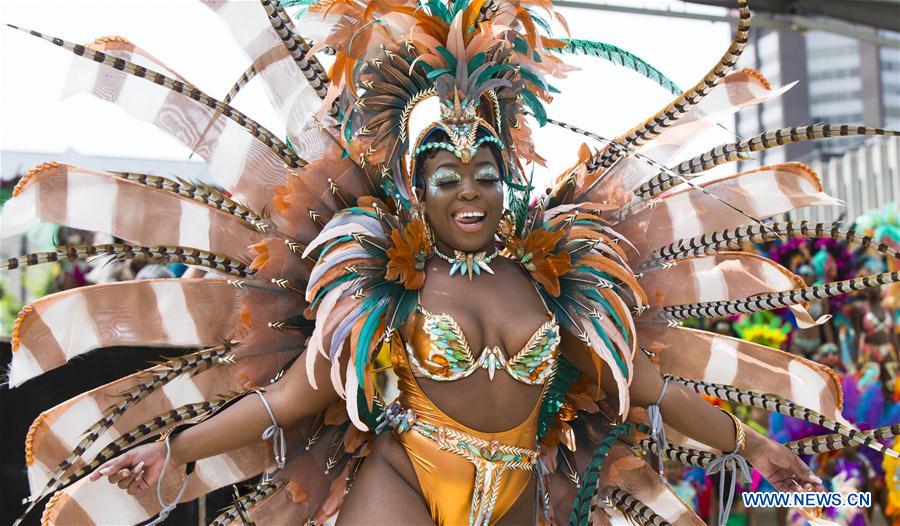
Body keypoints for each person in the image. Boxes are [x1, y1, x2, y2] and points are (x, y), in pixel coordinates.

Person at [4, 1, 899, 524]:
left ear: (508, 179)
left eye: (485, 172)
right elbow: (288, 400)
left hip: (518, 491)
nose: (469, 191)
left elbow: (649, 392)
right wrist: (174, 446)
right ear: (415, 186)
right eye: (445, 175)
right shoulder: (375, 288)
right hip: (397, 482)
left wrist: (755, 443)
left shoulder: (568, 283)